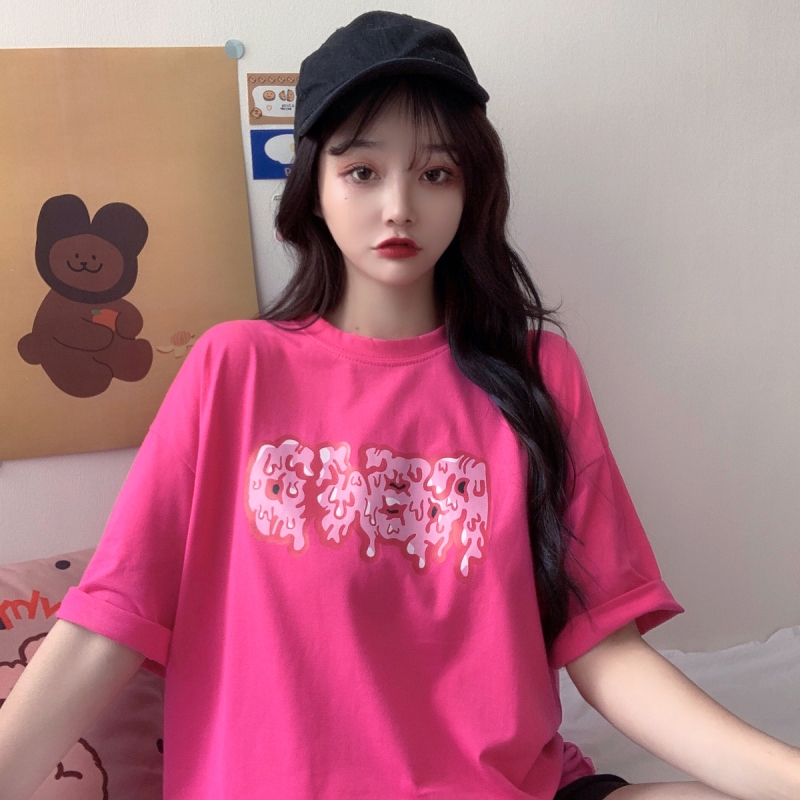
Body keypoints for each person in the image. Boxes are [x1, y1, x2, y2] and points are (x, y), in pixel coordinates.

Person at [0, 10, 798, 800]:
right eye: (362, 171)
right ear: (314, 187)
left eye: (436, 173)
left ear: (471, 190)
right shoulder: (234, 370)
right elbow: (110, 620)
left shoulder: (536, 375)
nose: (399, 207)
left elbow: (605, 650)